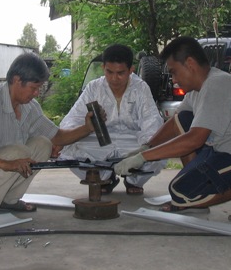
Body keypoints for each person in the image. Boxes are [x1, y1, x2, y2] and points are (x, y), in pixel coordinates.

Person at [114, 36, 231, 221]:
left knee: (181, 193)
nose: (174, 80)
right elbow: (176, 123)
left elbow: (195, 139)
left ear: (190, 64)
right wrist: (147, 146)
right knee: (183, 119)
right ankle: (197, 188)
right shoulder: (197, 90)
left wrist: (143, 157)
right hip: (226, 150)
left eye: (174, 72)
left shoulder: (216, 85)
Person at [0, 52, 97, 218]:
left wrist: (87, 128)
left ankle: (8, 199)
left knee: (43, 144)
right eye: (34, 88)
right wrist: (3, 163)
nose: (37, 93)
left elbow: (57, 137)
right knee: (18, 152)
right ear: (17, 80)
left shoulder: (30, 107)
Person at [57, 44, 167, 195]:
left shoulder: (141, 88)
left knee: (159, 151)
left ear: (131, 70)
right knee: (66, 150)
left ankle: (133, 180)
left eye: (120, 73)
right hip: (100, 142)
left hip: (132, 141)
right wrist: (84, 128)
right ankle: (104, 178)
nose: (114, 78)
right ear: (103, 68)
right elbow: (71, 120)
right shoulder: (94, 88)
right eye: (109, 72)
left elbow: (151, 122)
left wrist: (145, 150)